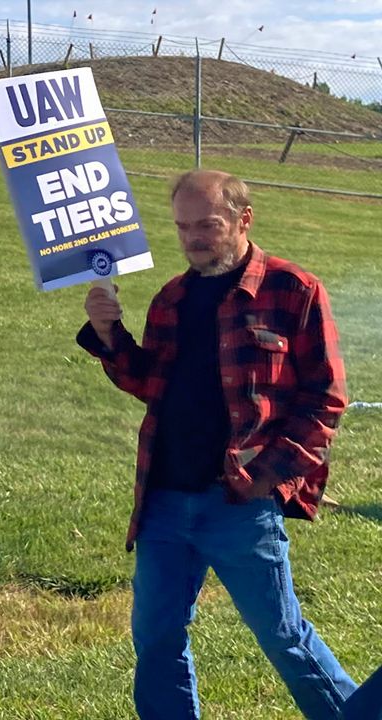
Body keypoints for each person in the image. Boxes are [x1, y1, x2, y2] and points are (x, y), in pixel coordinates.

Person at [77, 169, 356, 719]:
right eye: (183, 228)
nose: (193, 239)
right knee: (156, 641)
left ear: (242, 219)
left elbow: (326, 399)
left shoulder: (292, 290)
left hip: (239, 504)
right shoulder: (172, 298)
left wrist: (271, 478)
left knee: (283, 638)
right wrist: (109, 335)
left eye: (207, 225)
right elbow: (148, 382)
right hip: (162, 501)